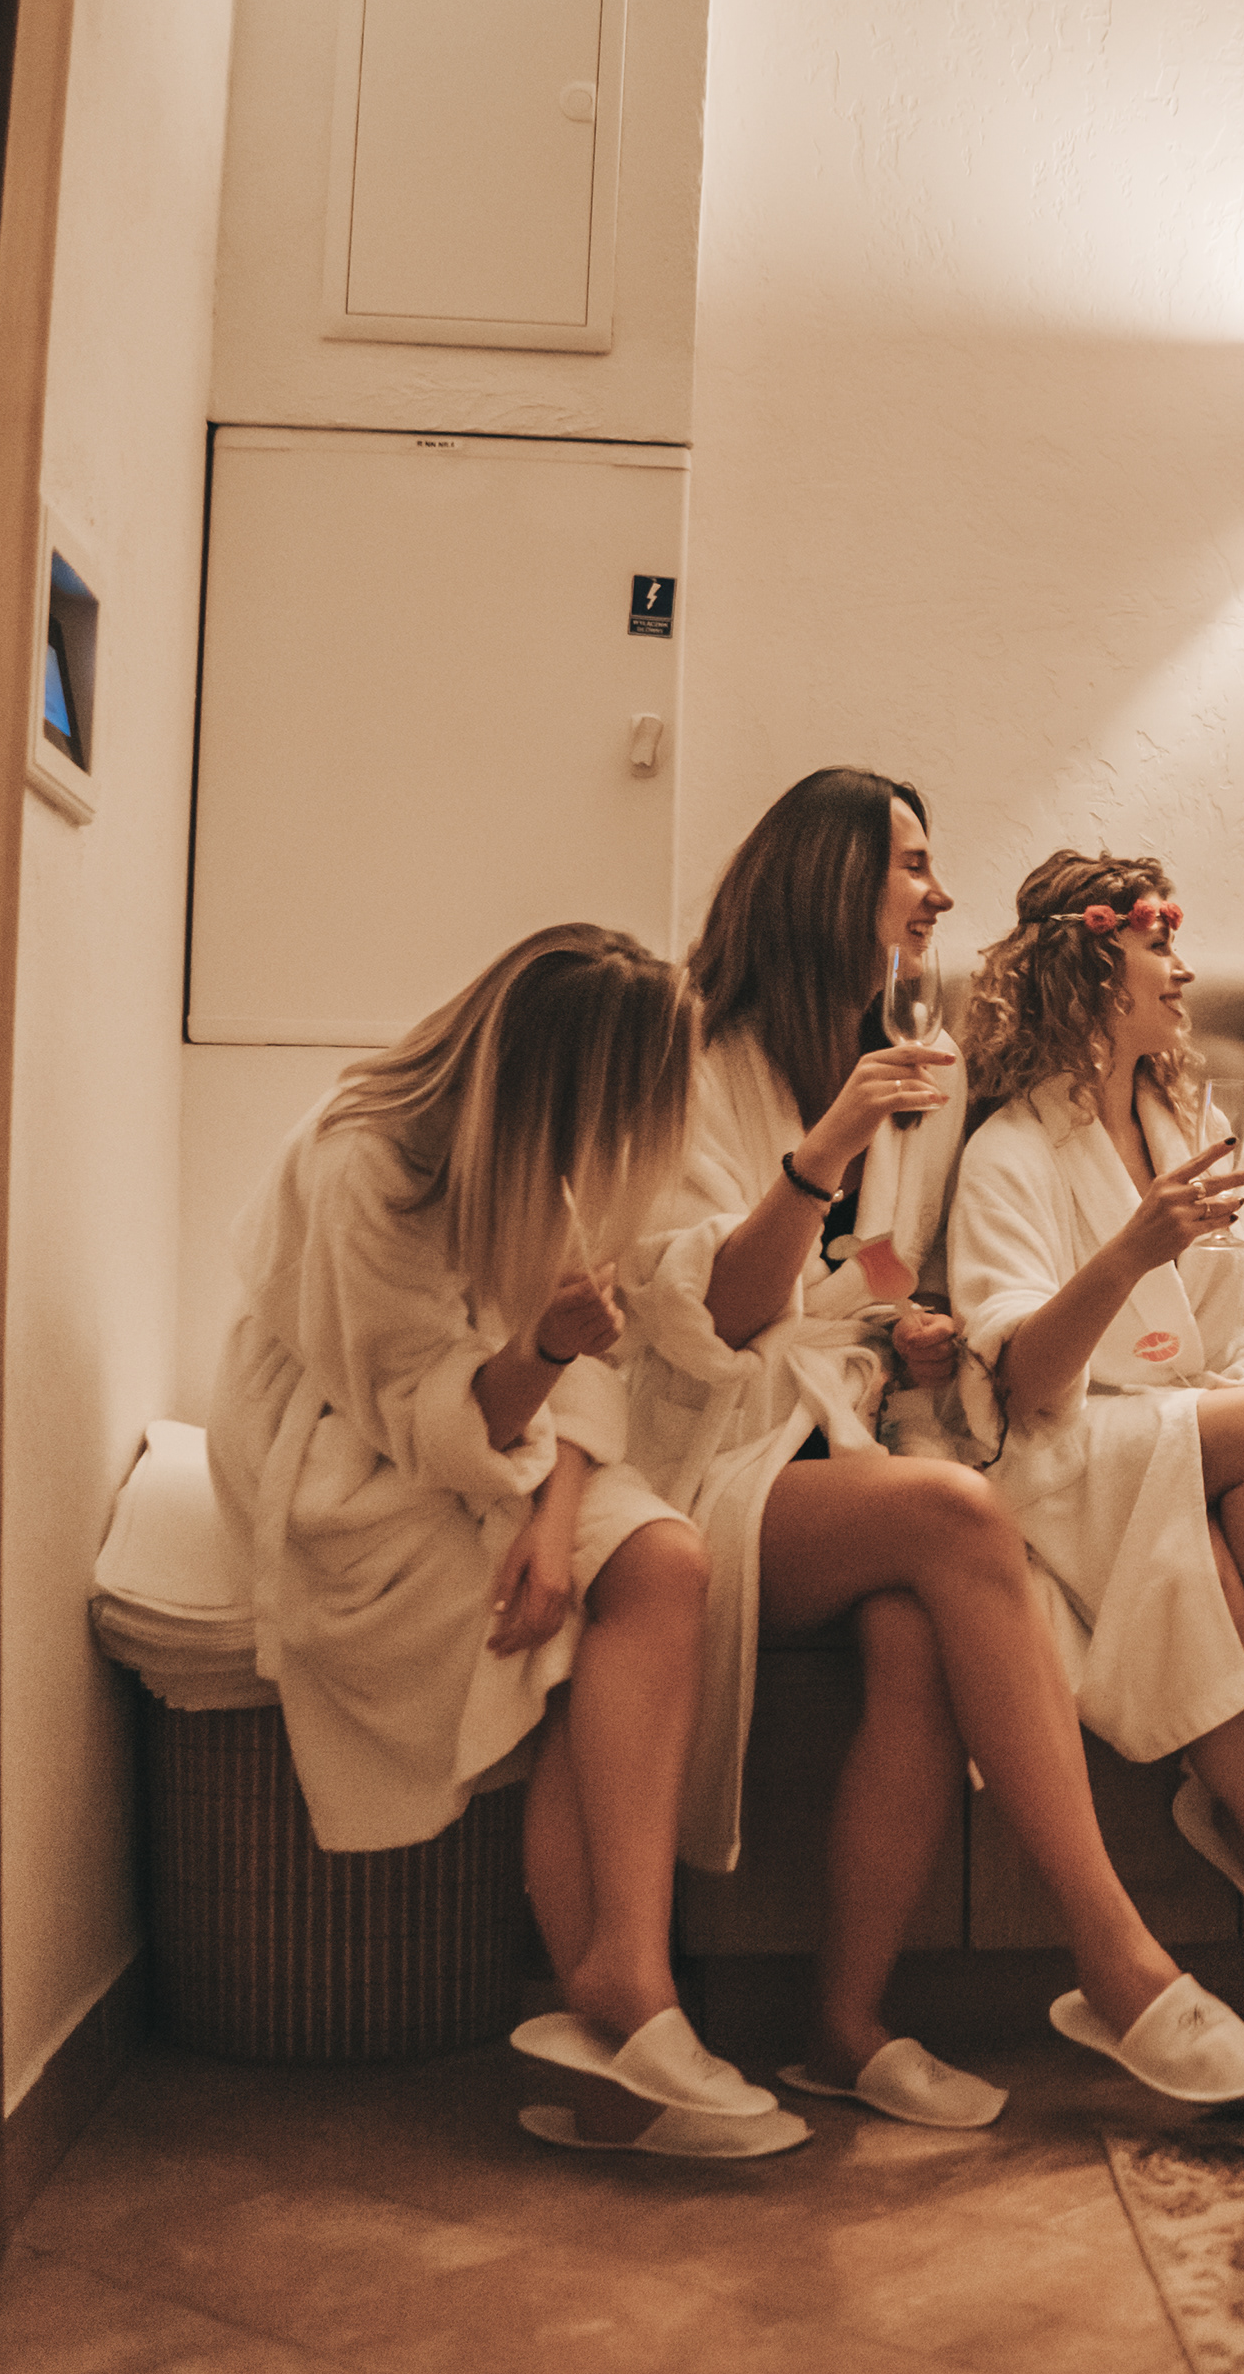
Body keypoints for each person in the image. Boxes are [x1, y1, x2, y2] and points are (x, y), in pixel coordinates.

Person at [611, 772, 1244, 2128]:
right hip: (707, 1453)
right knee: (963, 1523)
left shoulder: (924, 1069)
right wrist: (829, 1144)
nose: (940, 892)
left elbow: (884, 1279)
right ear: (830, 881)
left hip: (849, 1434)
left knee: (916, 1637)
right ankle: (1120, 1963)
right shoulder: (692, 1056)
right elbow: (715, 1317)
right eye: (913, 865)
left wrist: (910, 1330)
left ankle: (842, 2027)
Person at [208, 923, 809, 2156]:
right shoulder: (364, 1163)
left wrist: (558, 1512)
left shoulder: (553, 1153)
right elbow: (432, 1415)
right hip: (346, 1456)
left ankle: (624, 1970)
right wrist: (541, 1357)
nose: (635, 1133)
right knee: (567, 1639)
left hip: (517, 1434)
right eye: (628, 1100)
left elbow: (581, 1366)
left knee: (664, 1563)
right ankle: (628, 2034)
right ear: (561, 1077)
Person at [948, 851, 1244, 1918]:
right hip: (1069, 1449)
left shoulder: (1196, 1128)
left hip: (1181, 1435)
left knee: (1223, 1559)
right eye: (1160, 945)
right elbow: (1025, 1387)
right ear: (1089, 968)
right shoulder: (1010, 1150)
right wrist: (1129, 1251)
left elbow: (1237, 1328)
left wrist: (1221, 1394)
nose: (1184, 969)